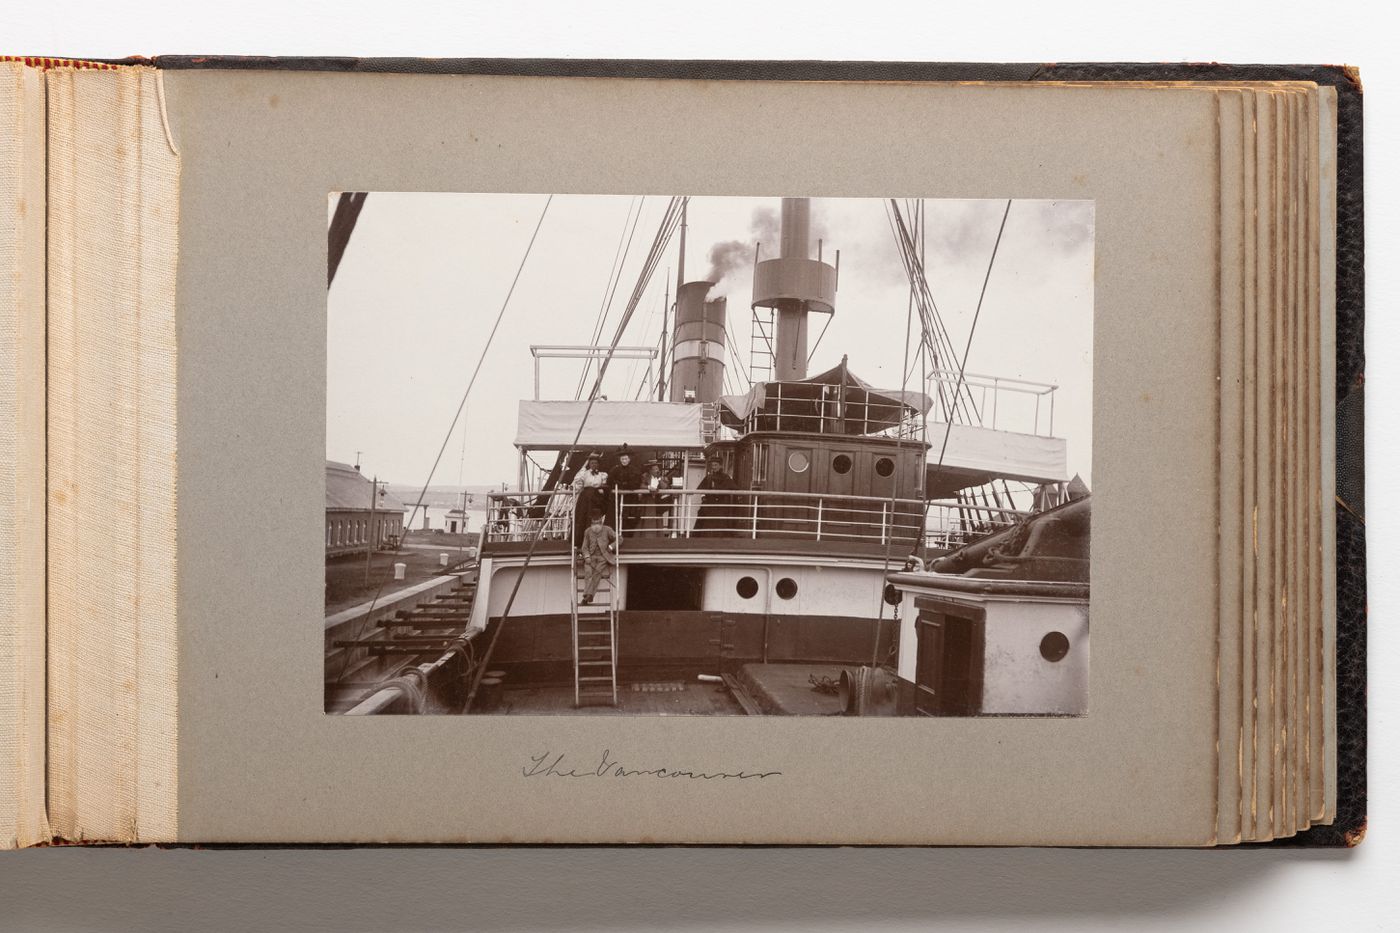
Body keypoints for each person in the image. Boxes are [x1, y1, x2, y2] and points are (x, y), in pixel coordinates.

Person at [577, 509, 616, 605]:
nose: (596, 526)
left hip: (603, 557)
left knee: (597, 574)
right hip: (590, 557)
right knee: (588, 573)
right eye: (594, 523)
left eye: (598, 523)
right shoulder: (587, 531)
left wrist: (611, 546)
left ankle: (586, 596)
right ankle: (589, 595)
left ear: (601, 522)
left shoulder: (608, 530)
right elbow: (584, 547)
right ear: (591, 523)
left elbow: (619, 538)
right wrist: (586, 556)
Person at [694, 454, 738, 537]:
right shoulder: (708, 478)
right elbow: (701, 489)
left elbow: (734, 489)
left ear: (720, 466)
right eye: (712, 465)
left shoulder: (726, 478)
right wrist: (703, 497)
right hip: (709, 504)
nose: (714, 467)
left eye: (716, 465)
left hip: (721, 505)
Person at [572, 452, 608, 548]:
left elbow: (604, 485)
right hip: (585, 498)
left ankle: (595, 542)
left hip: (596, 499)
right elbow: (578, 483)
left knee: (594, 518)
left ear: (598, 464)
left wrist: (602, 489)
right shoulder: (584, 473)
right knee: (582, 517)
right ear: (589, 464)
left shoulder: (602, 475)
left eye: (596, 463)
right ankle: (580, 542)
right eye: (592, 463)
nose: (594, 465)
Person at [606, 444, 644, 534]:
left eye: (626, 459)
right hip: (618, 498)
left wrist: (625, 485)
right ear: (620, 460)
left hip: (630, 498)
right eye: (622, 459)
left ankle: (627, 535)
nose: (624, 461)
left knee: (629, 518)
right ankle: (616, 535)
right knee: (616, 516)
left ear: (629, 459)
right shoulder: (615, 470)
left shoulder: (634, 470)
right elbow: (610, 482)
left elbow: (636, 483)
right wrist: (619, 484)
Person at [637, 459, 673, 537]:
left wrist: (659, 479)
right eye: (655, 469)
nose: (657, 470)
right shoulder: (645, 476)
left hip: (658, 501)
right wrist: (649, 487)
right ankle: (646, 536)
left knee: (658, 519)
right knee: (647, 519)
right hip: (648, 501)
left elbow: (665, 487)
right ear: (650, 470)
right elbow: (641, 485)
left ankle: (658, 536)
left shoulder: (661, 478)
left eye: (658, 469)